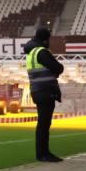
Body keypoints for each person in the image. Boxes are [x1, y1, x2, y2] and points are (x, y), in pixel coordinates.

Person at [23, 27, 65, 162]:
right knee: (44, 124)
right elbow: (58, 68)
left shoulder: (31, 53)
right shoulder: (41, 52)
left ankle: (42, 153)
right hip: (45, 91)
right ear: (46, 39)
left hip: (37, 90)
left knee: (43, 123)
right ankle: (43, 154)